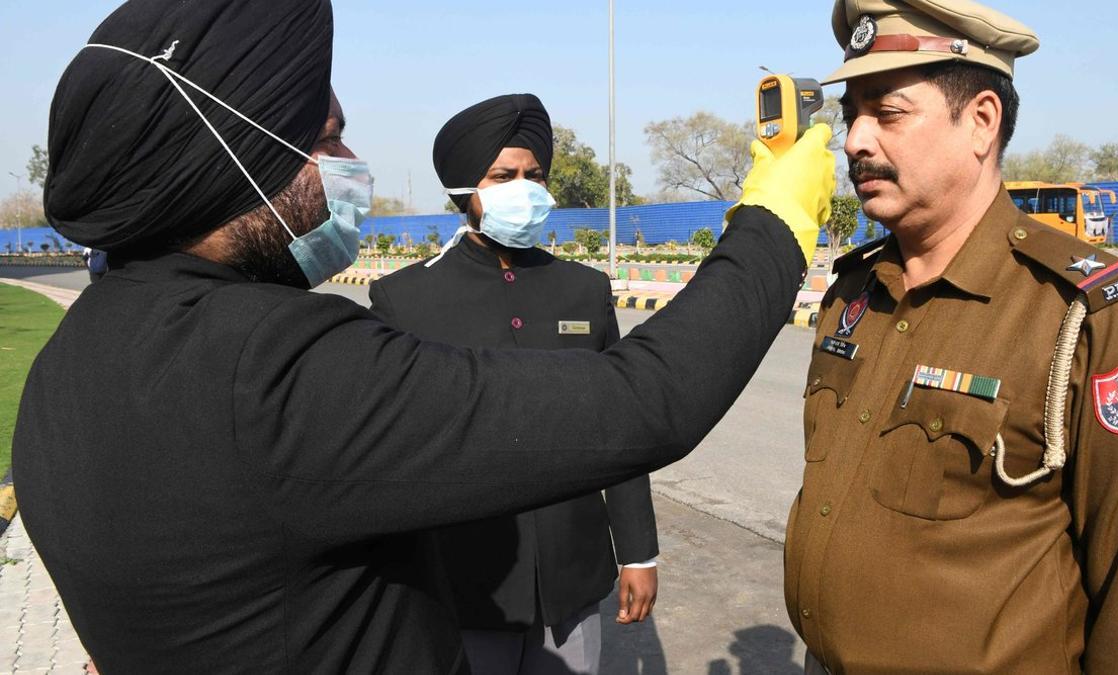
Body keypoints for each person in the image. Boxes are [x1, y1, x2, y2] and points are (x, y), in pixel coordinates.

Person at [13, 0, 835, 671]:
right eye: (325, 136)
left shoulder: (66, 366)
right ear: (238, 151)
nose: (351, 159)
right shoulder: (271, 367)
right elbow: (644, 401)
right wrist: (776, 218)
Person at [789, 1, 1118, 673]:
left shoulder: (1091, 318)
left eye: (886, 112)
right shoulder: (853, 294)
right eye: (850, 114)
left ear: (980, 121)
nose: (855, 139)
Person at [370, 94, 659, 675]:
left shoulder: (582, 288)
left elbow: (619, 426)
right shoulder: (404, 299)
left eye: (533, 176)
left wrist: (638, 553)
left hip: (571, 573)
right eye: (503, 177)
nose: (523, 189)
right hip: (461, 579)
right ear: (462, 189)